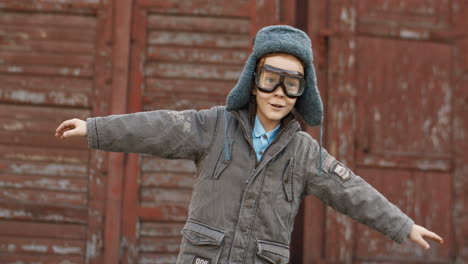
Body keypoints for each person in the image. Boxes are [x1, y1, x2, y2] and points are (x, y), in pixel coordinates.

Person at [55, 25, 443, 263]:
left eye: (291, 84)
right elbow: (158, 127)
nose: (278, 93)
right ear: (252, 81)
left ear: (302, 93)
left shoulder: (304, 153)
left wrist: (404, 226)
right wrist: (94, 129)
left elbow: (351, 190)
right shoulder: (214, 127)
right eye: (270, 79)